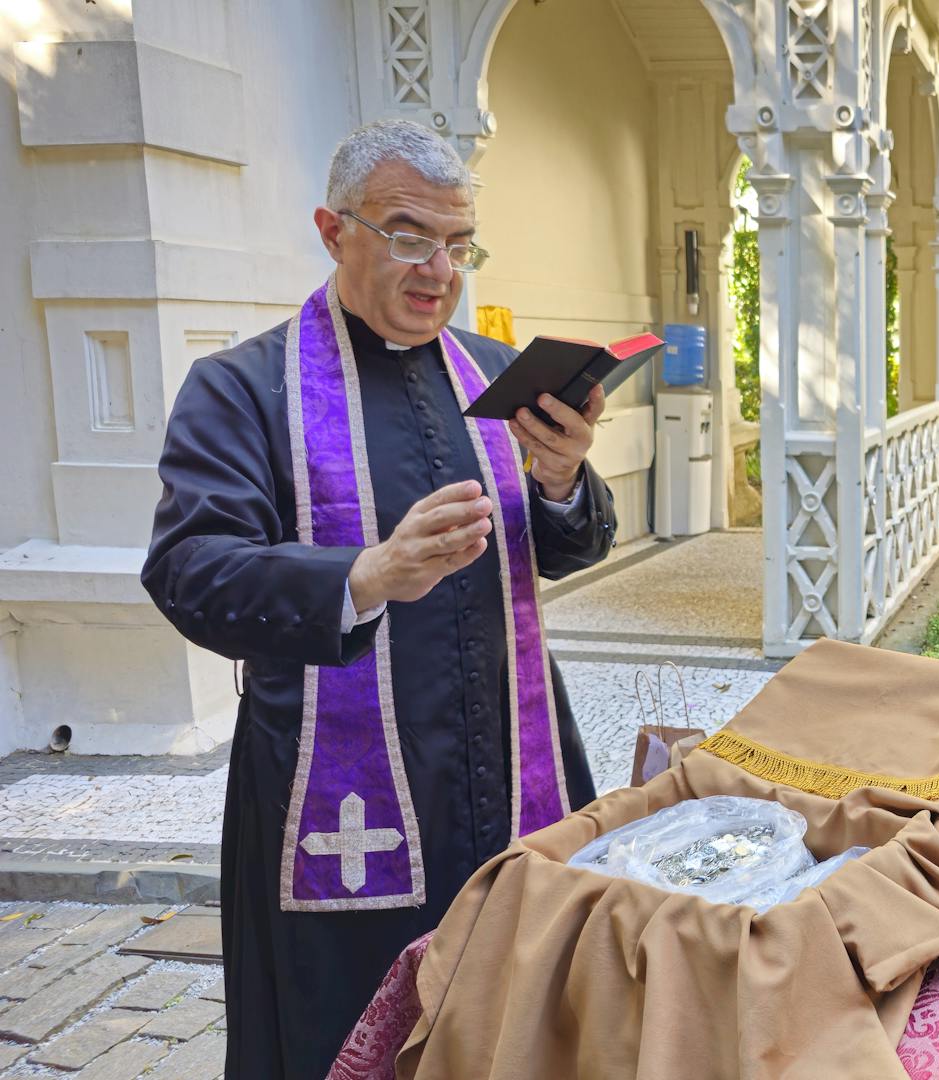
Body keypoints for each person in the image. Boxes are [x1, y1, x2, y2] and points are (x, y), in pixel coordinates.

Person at [142, 118, 617, 1078]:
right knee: (345, 1039)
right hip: (338, 804)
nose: (437, 268)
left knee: (520, 1020)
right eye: (407, 235)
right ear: (333, 230)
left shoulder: (496, 376)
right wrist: (364, 577)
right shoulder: (242, 389)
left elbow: (568, 545)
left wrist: (564, 479)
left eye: (456, 243)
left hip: (509, 765)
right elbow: (188, 569)